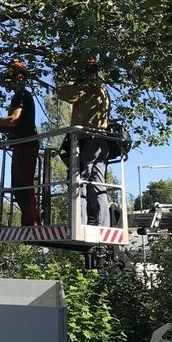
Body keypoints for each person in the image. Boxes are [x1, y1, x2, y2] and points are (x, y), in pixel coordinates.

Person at [0, 59, 40, 226]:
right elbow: (12, 126)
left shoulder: (21, 95)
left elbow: (13, 120)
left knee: (23, 184)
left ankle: (32, 222)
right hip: (21, 144)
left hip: (26, 145)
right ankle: (29, 221)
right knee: (18, 186)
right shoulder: (19, 96)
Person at [57, 58, 112, 227]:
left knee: (79, 180)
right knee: (98, 184)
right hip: (102, 143)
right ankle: (103, 224)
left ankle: (79, 223)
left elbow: (63, 93)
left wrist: (70, 79)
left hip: (89, 141)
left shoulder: (86, 88)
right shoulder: (102, 90)